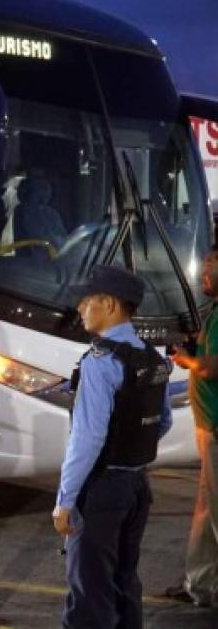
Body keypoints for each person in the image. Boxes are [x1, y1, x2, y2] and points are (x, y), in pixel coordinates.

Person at [52, 265, 172, 628]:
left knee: (89, 591)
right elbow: (162, 421)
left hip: (102, 489)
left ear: (108, 304)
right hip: (136, 487)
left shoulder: (100, 362)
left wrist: (65, 499)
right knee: (124, 582)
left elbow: (88, 438)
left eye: (86, 301)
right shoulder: (152, 357)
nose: (81, 308)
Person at [166, 247, 218, 607]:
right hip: (208, 428)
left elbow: (211, 367)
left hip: (216, 429)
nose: (204, 272)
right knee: (206, 509)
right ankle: (199, 585)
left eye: (212, 267)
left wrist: (185, 358)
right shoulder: (213, 312)